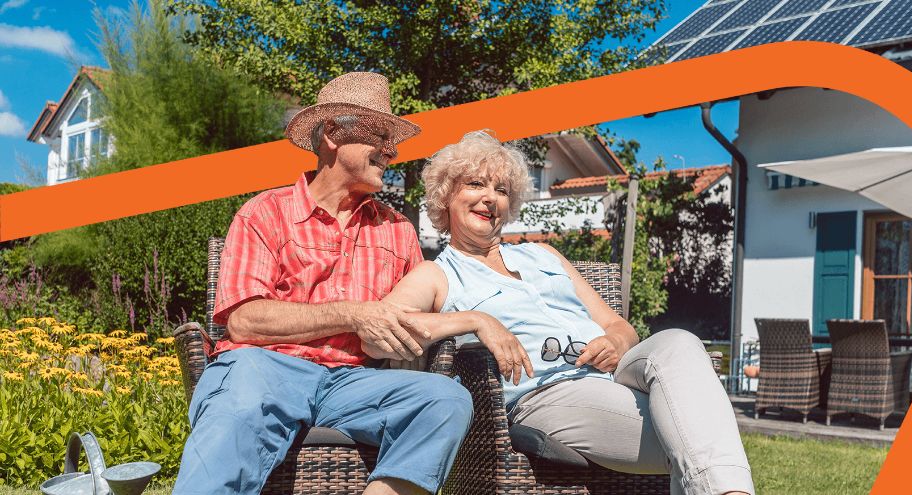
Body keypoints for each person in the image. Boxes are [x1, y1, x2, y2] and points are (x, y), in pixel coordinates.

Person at [378, 130, 756, 495]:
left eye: (502, 190)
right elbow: (380, 330)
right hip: (546, 393)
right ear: (446, 197)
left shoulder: (544, 255)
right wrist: (476, 320)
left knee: (679, 342)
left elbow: (616, 323)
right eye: (476, 184)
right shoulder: (438, 274)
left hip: (616, 375)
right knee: (700, 431)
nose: (490, 198)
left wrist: (615, 341)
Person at [174, 73, 483, 495]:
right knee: (239, 402)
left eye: (393, 140)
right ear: (334, 134)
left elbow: (409, 327)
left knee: (445, 399)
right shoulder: (265, 212)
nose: (391, 151)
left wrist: (472, 320)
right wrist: (354, 314)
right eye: (379, 134)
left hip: (357, 382)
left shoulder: (397, 230)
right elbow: (245, 322)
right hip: (265, 367)